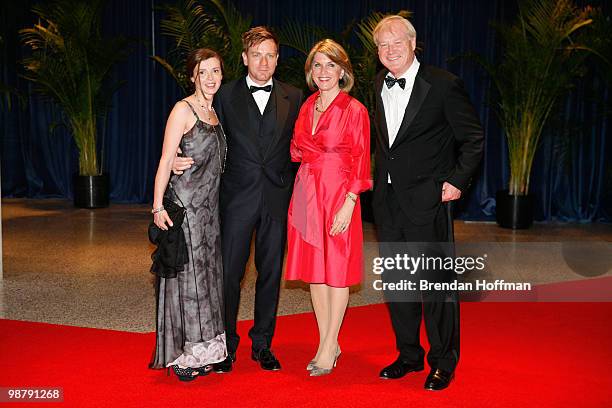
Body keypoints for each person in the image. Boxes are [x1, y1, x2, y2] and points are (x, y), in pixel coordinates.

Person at [173, 27, 303, 372]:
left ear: (278, 59)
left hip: (277, 198)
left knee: (271, 273)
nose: (264, 62)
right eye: (257, 55)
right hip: (234, 199)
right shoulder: (225, 94)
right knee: (229, 275)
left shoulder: (295, 95)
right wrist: (174, 156)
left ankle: (263, 344)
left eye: (271, 55)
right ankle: (225, 343)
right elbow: (196, 123)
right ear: (244, 59)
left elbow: (305, 146)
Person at [371, 15, 484, 390]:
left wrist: (456, 181)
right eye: (382, 46)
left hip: (428, 201)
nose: (389, 51)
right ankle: (409, 355)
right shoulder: (377, 84)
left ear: (413, 43)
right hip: (388, 203)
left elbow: (473, 138)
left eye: (396, 43)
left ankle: (443, 361)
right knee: (397, 284)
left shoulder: (443, 84)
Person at [285, 39, 372, 377]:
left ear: (342, 71)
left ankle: (328, 345)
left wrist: (350, 203)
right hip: (307, 191)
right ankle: (328, 343)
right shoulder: (307, 106)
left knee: (337, 271)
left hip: (339, 194)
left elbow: (362, 160)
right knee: (315, 272)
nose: (323, 71)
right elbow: (296, 149)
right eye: (317, 65)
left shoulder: (354, 110)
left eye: (330, 65)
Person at [149, 48, 228, 381]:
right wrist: (156, 207)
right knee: (189, 283)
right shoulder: (182, 109)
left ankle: (210, 349)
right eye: (203, 72)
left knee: (208, 281)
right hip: (187, 210)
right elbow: (166, 160)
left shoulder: (213, 112)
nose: (210, 78)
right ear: (192, 75)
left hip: (210, 213)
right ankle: (188, 354)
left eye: (215, 71)